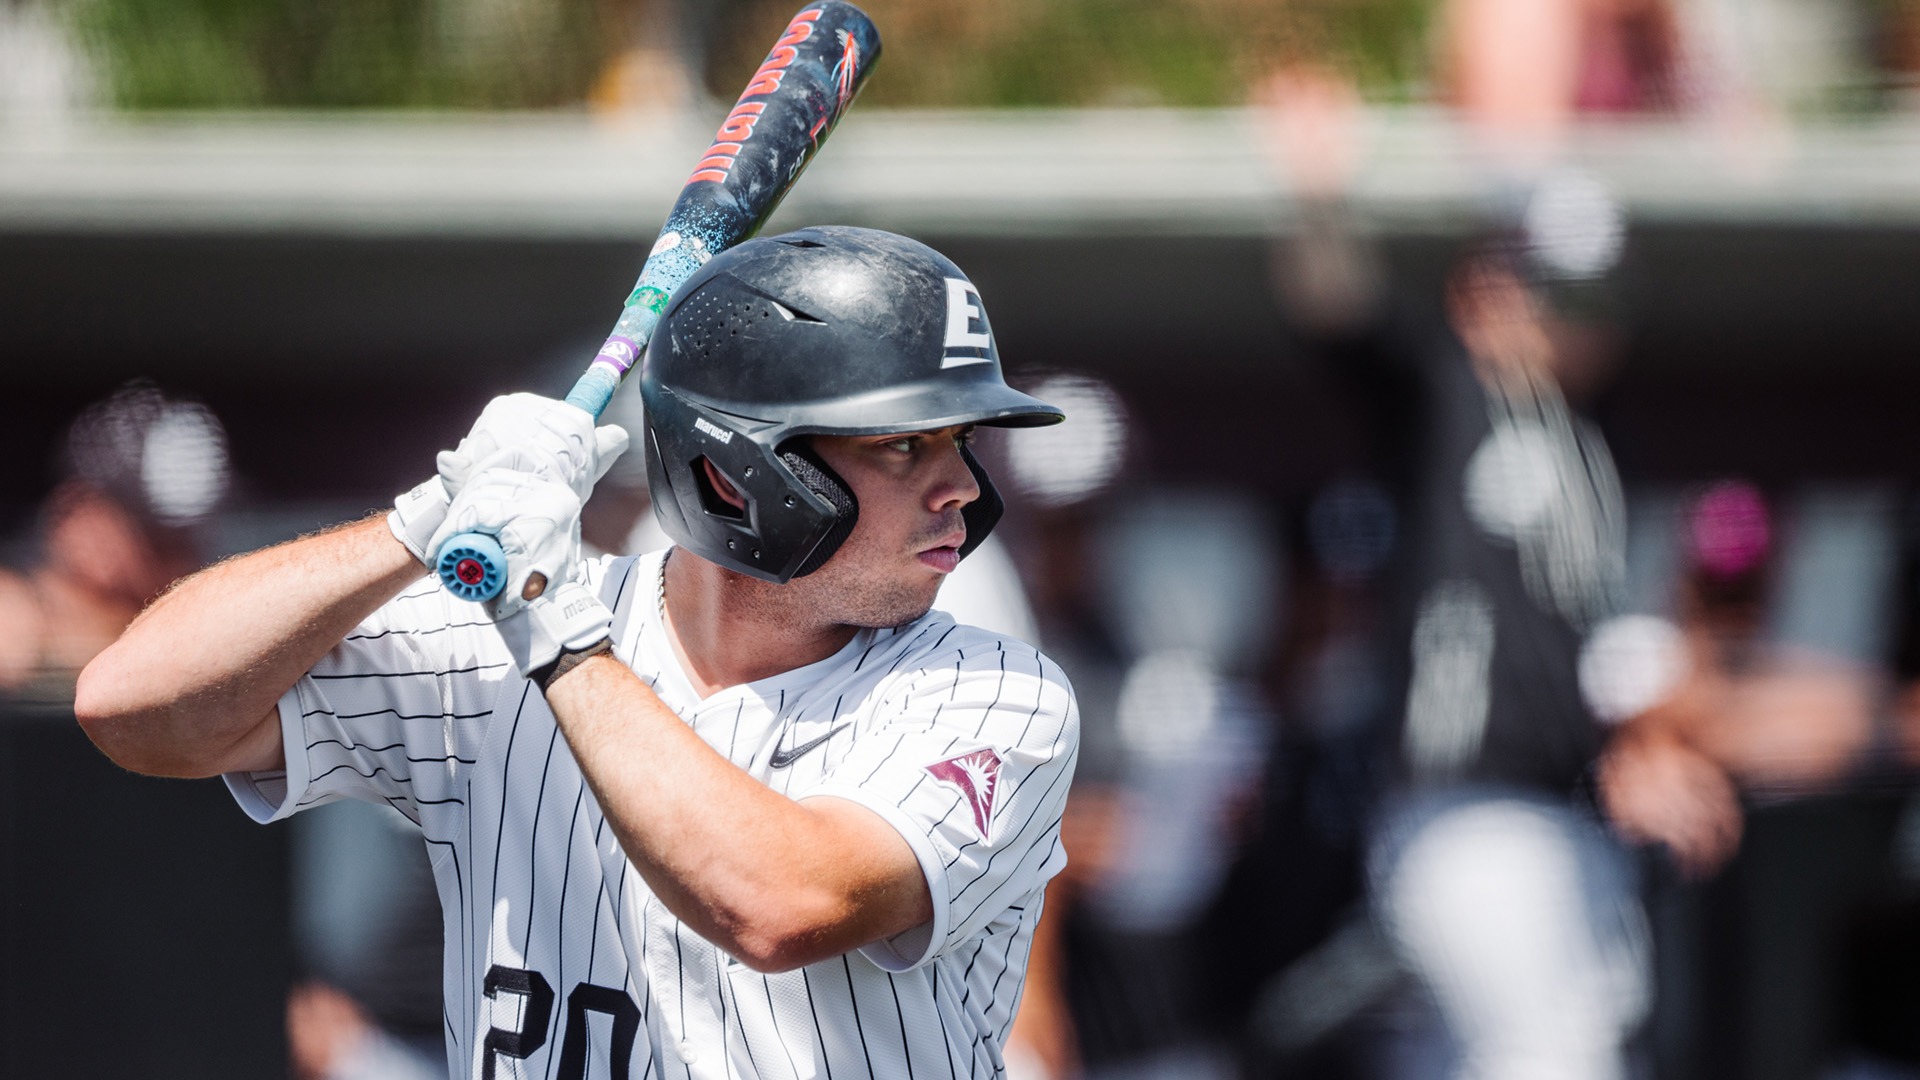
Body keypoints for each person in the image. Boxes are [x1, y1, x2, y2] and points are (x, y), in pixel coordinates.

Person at [78, 226, 1080, 1080]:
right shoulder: (504, 639)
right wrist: (421, 522)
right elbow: (133, 707)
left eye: (961, 442)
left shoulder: (994, 696)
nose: (959, 486)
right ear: (739, 479)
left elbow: (782, 905)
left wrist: (549, 629)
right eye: (904, 446)